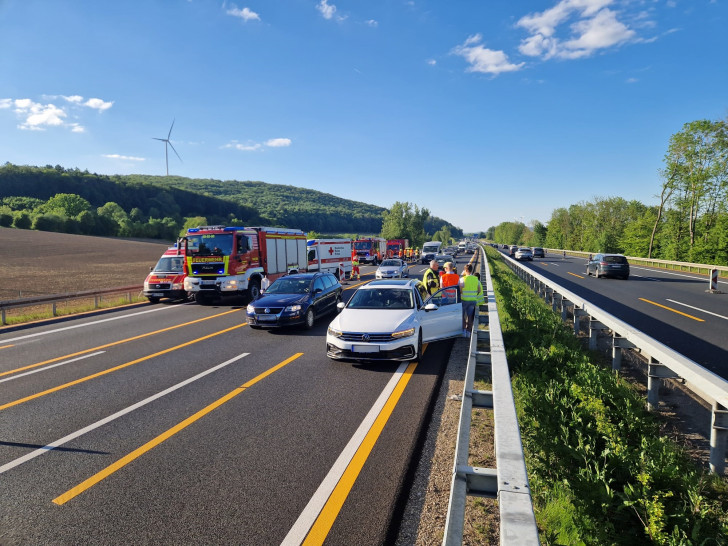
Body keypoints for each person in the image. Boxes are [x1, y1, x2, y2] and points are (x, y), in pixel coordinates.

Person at [459, 263, 483, 337]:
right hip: (472, 300)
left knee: (462, 316)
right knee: (470, 316)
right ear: (471, 270)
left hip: (464, 300)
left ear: (465, 270)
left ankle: (463, 331)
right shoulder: (476, 279)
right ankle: (469, 331)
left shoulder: (462, 279)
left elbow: (460, 290)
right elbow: (479, 290)